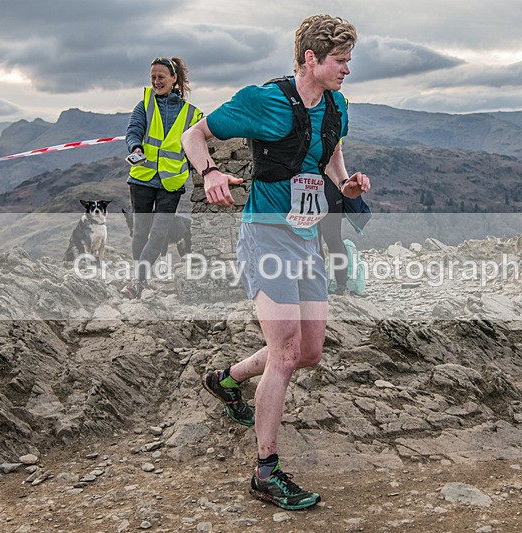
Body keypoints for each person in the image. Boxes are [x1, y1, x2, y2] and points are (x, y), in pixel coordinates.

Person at [181, 14, 370, 510]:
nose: (348, 69)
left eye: (349, 60)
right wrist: (210, 172)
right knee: (284, 354)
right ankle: (266, 471)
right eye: (341, 60)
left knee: (307, 353)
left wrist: (345, 182)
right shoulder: (263, 100)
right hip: (265, 234)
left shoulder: (338, 105)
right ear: (312, 58)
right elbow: (194, 136)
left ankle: (227, 379)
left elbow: (329, 153)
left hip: (306, 238)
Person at [121, 56, 202, 299]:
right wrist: (135, 147)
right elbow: (133, 130)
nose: (156, 82)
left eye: (161, 77)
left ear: (174, 79)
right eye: (153, 77)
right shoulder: (144, 104)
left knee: (159, 234)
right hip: (142, 178)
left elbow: (198, 142)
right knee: (140, 233)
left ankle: (137, 282)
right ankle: (140, 279)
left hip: (172, 182)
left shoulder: (192, 114)